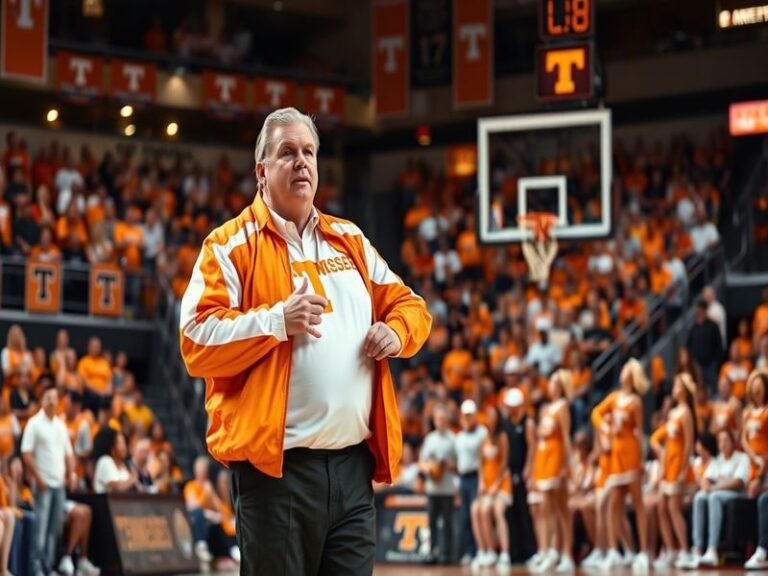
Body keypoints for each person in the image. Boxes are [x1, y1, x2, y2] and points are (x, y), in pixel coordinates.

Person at [178, 107, 431, 575]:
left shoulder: (349, 239)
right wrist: (277, 320)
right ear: (261, 170)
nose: (302, 162)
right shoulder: (228, 246)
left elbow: (411, 305)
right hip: (278, 476)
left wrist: (396, 332)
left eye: (309, 152)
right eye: (288, 152)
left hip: (353, 472)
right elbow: (196, 339)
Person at [591, 358, 651, 570]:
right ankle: (615, 551)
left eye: (627, 368)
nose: (623, 369)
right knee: (614, 505)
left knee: (638, 503)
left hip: (631, 453)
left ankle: (643, 552)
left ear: (632, 376)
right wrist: (605, 430)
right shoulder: (615, 397)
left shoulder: (636, 401)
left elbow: (638, 431)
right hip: (616, 455)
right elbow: (596, 413)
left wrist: (642, 460)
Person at [21, 383, 77, 576]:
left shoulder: (61, 425)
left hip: (59, 484)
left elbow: (69, 453)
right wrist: (38, 478)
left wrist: (72, 474)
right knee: (41, 529)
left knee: (55, 530)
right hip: (44, 484)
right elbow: (26, 453)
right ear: (42, 400)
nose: (52, 401)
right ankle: (36, 568)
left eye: (55, 398)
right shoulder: (34, 423)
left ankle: (48, 567)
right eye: (48, 398)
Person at [678, 428, 750, 569]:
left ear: (733, 442)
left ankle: (712, 549)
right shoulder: (717, 460)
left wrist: (714, 488)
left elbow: (738, 482)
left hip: (737, 495)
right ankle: (697, 550)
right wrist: (706, 485)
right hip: (717, 493)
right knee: (699, 497)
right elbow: (706, 479)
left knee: (713, 497)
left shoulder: (742, 458)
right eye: (720, 441)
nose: (723, 444)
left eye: (726, 440)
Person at [650, 373, 697, 568]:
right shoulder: (672, 413)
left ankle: (684, 550)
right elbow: (666, 442)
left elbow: (688, 444)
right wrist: (662, 464)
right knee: (661, 506)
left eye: (678, 385)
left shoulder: (686, 413)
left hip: (679, 463)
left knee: (673, 507)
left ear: (685, 390)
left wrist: (683, 469)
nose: (674, 388)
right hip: (669, 462)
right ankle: (670, 550)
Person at [529, 369, 574, 573]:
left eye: (555, 382)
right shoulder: (546, 409)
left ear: (562, 386)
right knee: (546, 508)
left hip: (556, 458)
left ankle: (565, 554)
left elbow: (565, 437)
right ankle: (548, 550)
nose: (551, 384)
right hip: (543, 458)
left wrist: (567, 464)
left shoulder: (562, 406)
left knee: (560, 508)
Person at [471, 405, 512, 571]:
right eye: (488, 415)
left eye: (493, 415)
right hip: (487, 484)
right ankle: (485, 551)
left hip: (502, 483)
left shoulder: (502, 437)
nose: (490, 418)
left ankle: (504, 552)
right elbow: (481, 464)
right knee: (475, 510)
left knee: (495, 510)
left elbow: (504, 464)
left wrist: (496, 485)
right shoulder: (483, 439)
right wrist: (481, 482)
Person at [502, 387, 537, 564]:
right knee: (512, 512)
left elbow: (532, 447)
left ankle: (531, 551)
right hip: (511, 472)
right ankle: (516, 553)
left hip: (524, 472)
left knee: (525, 512)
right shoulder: (507, 422)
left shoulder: (528, 422)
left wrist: (529, 469)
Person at [419, 405, 457, 564]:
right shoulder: (430, 439)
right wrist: (429, 468)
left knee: (447, 523)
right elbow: (421, 461)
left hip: (447, 488)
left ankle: (447, 554)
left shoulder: (453, 439)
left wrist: (447, 465)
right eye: (438, 419)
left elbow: (458, 465)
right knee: (432, 523)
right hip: (432, 488)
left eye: (443, 419)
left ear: (447, 420)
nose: (440, 422)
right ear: (434, 421)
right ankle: (432, 552)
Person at [455, 399, 487, 564]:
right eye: (464, 415)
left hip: (476, 477)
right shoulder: (460, 435)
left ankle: (481, 550)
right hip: (463, 478)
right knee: (466, 516)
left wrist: (483, 480)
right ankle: (470, 551)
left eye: (469, 415)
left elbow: (485, 460)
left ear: (475, 415)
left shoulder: (482, 433)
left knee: (477, 515)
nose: (467, 418)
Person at [687, 299, 723, 393]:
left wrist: (715, 362)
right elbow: (688, 346)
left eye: (700, 310)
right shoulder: (693, 328)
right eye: (697, 311)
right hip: (697, 366)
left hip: (710, 365)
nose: (699, 313)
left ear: (705, 311)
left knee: (713, 390)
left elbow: (718, 345)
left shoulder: (713, 326)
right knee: (698, 389)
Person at [742, 369, 768, 498]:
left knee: (757, 494)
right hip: (751, 461)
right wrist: (753, 457)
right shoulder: (748, 413)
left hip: (764, 461)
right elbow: (743, 439)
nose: (756, 390)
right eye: (754, 387)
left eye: (759, 386)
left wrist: (762, 461)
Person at [93, 427, 136, 494]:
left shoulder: (124, 465)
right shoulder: (105, 461)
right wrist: (133, 479)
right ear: (112, 447)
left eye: (124, 442)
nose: (124, 447)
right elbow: (117, 488)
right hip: (107, 503)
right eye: (119, 443)